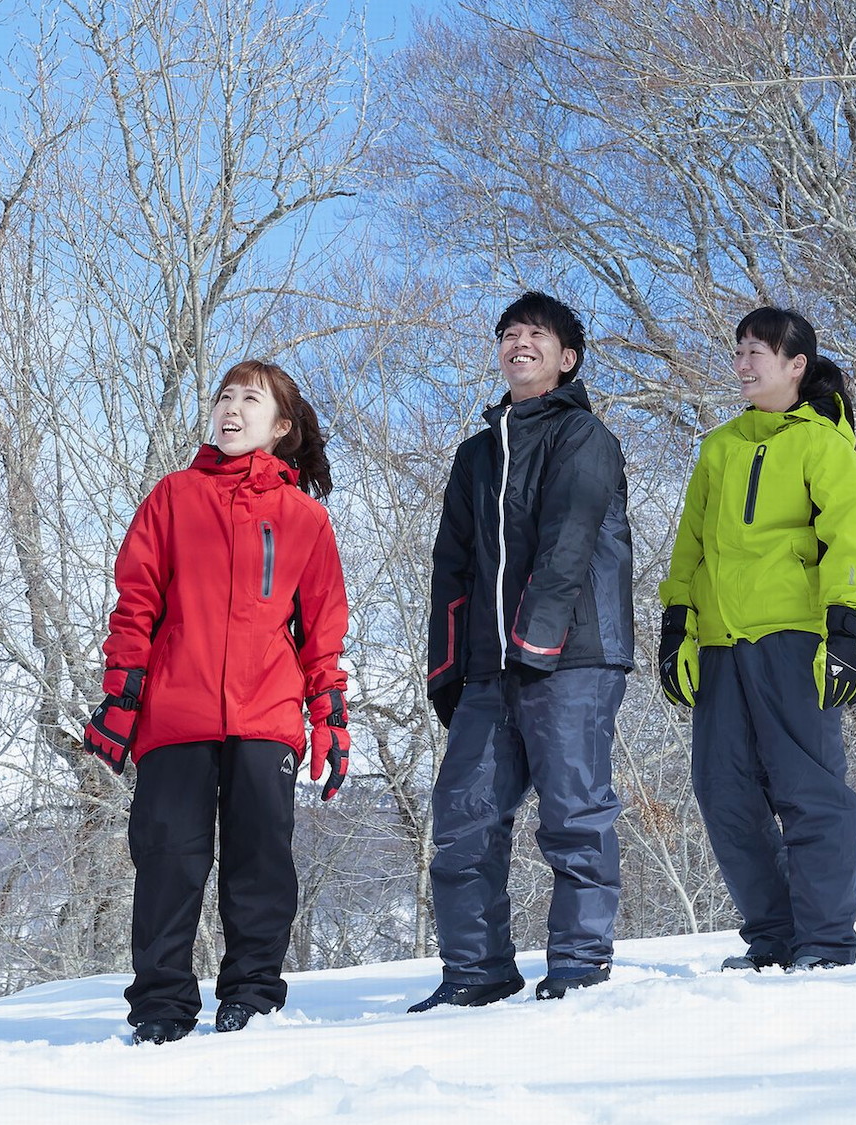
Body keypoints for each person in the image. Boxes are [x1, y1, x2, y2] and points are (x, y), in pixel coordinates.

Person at [82, 359, 352, 1044]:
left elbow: (323, 634)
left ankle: (252, 997)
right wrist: (121, 697)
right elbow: (135, 604)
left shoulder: (303, 519)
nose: (231, 409)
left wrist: (331, 720)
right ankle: (161, 1008)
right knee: (169, 859)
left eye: (249, 400)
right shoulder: (173, 496)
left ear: (281, 425)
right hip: (176, 713)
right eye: (224, 397)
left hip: (265, 714)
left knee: (260, 859)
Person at [414, 291, 634, 1010]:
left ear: (566, 358)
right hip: (489, 668)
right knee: (463, 818)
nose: (518, 342)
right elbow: (452, 565)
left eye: (535, 334)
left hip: (573, 655)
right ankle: (475, 973)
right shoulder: (477, 454)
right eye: (508, 333)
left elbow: (568, 543)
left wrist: (537, 640)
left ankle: (577, 966)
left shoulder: (583, 438)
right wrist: (448, 665)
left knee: (573, 814)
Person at [657, 306, 856, 972]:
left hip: (795, 640)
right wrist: (675, 628)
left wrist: (843, 631)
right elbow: (690, 546)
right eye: (740, 350)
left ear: (796, 365)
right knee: (723, 793)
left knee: (808, 791)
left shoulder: (823, 445)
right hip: (721, 647)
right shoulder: (720, 447)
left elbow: (848, 539)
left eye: (759, 352)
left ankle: (827, 940)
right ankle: (774, 935)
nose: (744, 363)